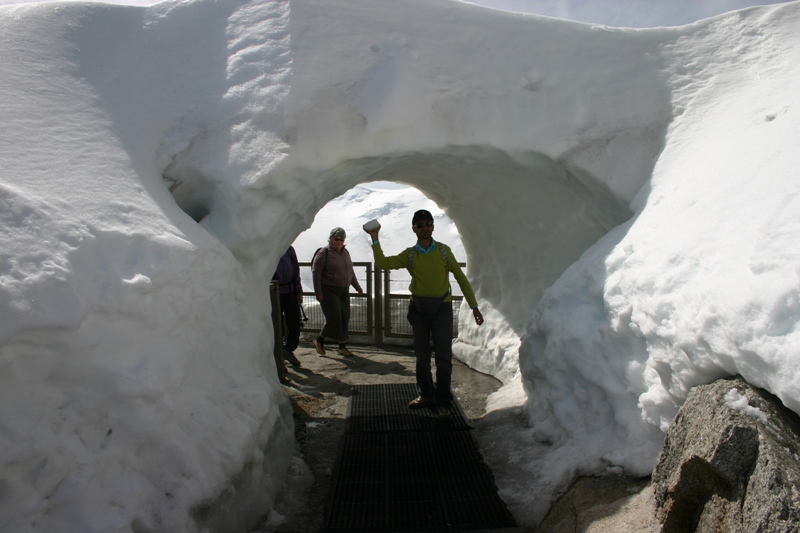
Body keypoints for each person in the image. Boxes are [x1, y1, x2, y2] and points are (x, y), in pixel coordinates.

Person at [365, 209, 484, 419]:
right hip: (419, 309)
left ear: (433, 226)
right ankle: (426, 395)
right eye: (419, 224)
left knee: (444, 357)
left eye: (428, 223)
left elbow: (461, 278)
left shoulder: (444, 251)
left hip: (442, 308)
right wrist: (375, 238)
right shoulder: (410, 254)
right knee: (421, 357)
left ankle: (444, 401)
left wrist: (474, 306)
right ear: (414, 229)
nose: (424, 227)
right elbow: (383, 264)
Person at [312, 227, 364, 356]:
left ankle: (342, 347)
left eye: (342, 239)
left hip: (344, 290)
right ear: (331, 239)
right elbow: (316, 273)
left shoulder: (345, 252)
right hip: (328, 289)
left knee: (344, 317)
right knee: (334, 317)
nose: (339, 241)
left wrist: (356, 286)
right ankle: (319, 340)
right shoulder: (324, 252)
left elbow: (350, 272)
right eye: (336, 239)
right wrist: (318, 292)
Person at [272, 247, 304, 368]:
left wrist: (298, 291)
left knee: (295, 323)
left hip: (290, 291)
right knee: (277, 326)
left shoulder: (289, 249)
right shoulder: (272, 246)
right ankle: (278, 357)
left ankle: (288, 350)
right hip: (275, 291)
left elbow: (295, 270)